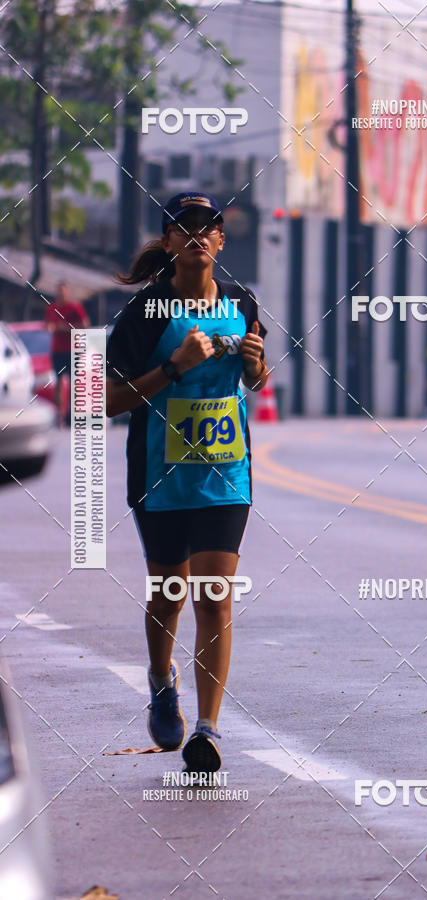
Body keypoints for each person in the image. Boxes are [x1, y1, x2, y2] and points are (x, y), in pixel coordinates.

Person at [105, 192, 268, 774]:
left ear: (221, 239)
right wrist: (173, 366)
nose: (197, 234)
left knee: (214, 596)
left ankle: (208, 730)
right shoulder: (143, 314)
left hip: (226, 475)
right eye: (184, 226)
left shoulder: (243, 303)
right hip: (161, 476)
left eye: (208, 226)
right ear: (169, 241)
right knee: (169, 594)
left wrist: (253, 365)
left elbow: (256, 378)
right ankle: (160, 679)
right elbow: (109, 400)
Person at [44, 283, 89, 426]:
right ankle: (60, 415)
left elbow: (84, 324)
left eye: (63, 293)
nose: (61, 296)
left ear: (67, 293)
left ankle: (73, 413)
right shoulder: (52, 308)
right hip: (57, 350)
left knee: (73, 382)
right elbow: (47, 326)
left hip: (72, 349)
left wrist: (67, 328)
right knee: (58, 382)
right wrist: (52, 328)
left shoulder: (75, 307)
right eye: (59, 293)